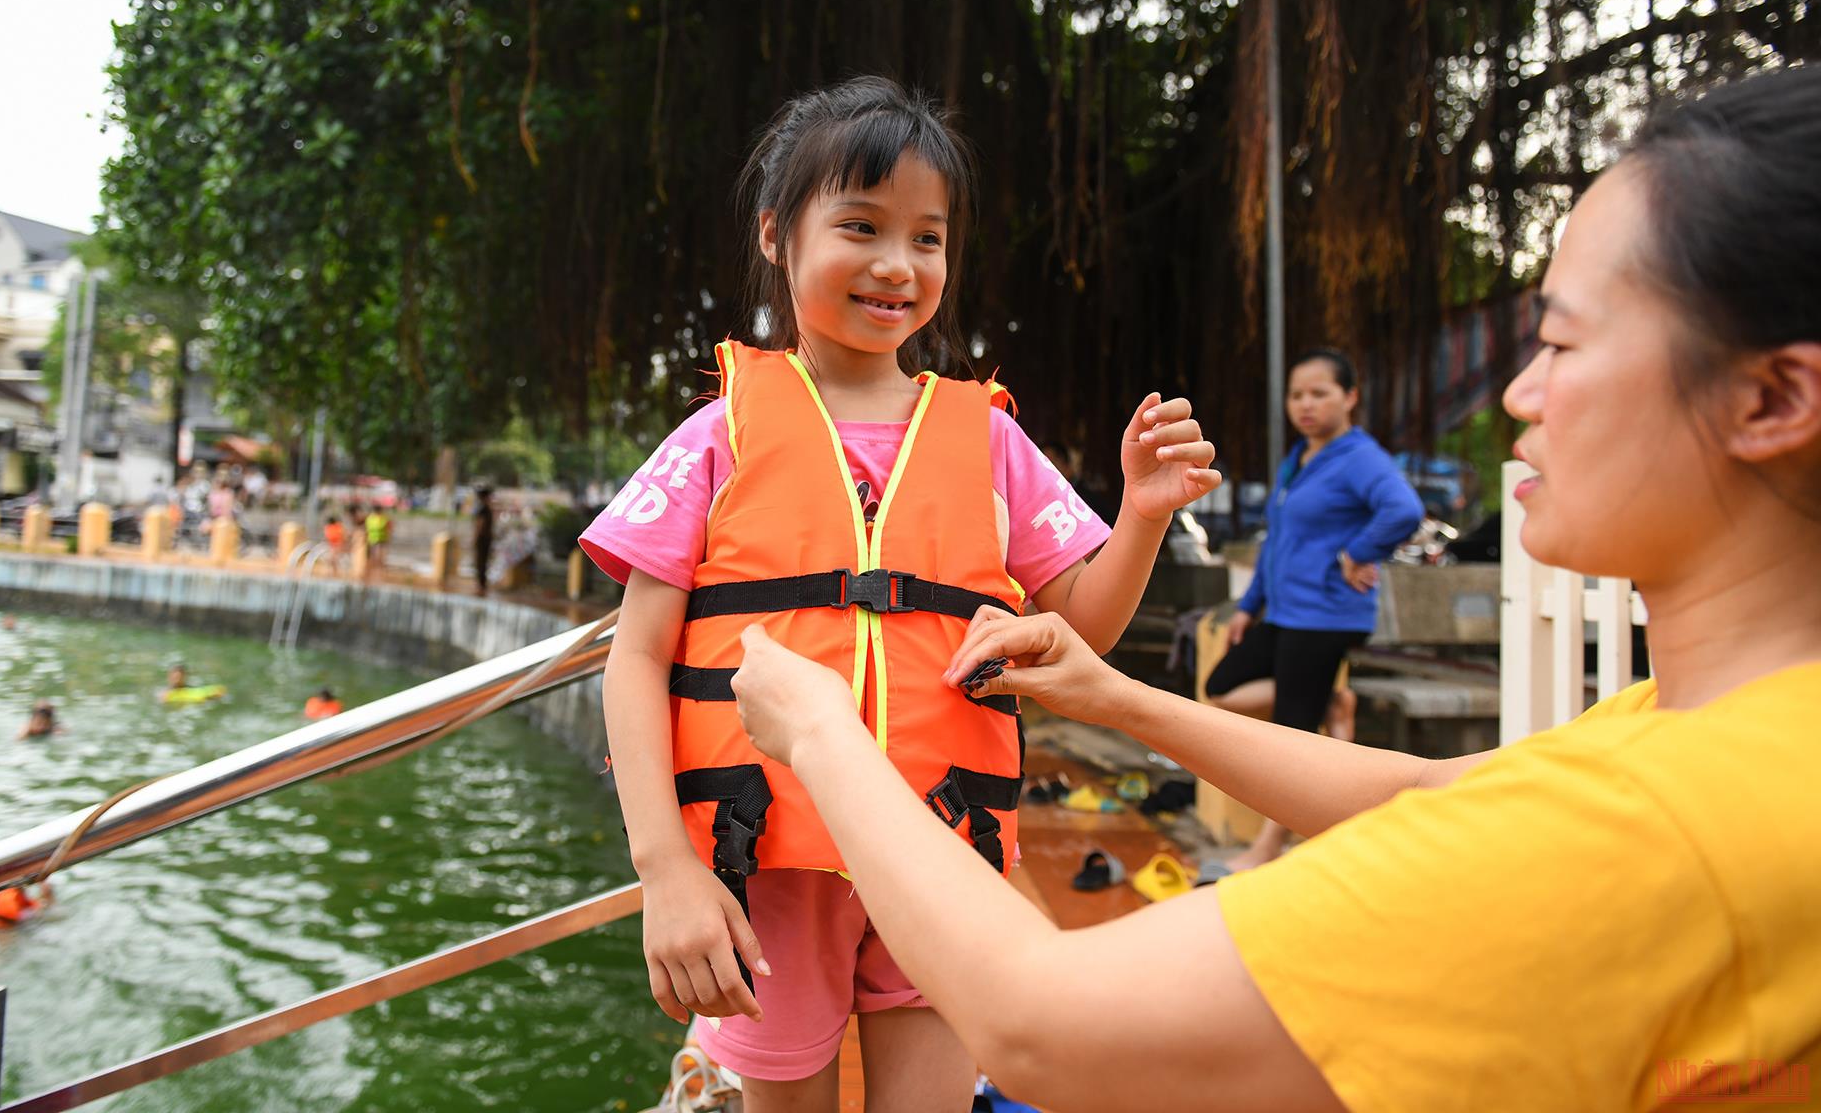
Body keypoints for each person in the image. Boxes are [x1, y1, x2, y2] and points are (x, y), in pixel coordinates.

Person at [725, 65, 1821, 1111]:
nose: (1524, 392)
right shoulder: (1733, 735)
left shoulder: (1667, 830)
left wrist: (821, 731)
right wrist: (1117, 698)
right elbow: (1437, 797)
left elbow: (1042, 1026)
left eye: (1561, 341)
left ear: (1772, 399)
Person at [579, 76, 1219, 1112]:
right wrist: (666, 871)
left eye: (928, 238)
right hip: (766, 859)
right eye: (862, 226)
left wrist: (1141, 511)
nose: (897, 264)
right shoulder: (719, 433)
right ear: (777, 235)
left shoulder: (990, 435)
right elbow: (639, 654)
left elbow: (1081, 628)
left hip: (943, 847)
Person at [1200, 347, 1423, 873]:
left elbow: (1405, 509)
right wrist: (1248, 606)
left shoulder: (1359, 456)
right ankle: (1331, 703)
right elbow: (1279, 539)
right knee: (1222, 690)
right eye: (1297, 394)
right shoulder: (1298, 458)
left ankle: (1266, 849)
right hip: (1282, 612)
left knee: (1291, 736)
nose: (1305, 404)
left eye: (1319, 393)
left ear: (1350, 397)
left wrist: (1358, 552)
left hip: (1326, 615)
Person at [472, 485, 497, 596]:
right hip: (485, 539)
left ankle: (481, 586)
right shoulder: (484, 509)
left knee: (481, 562)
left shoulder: (483, 509)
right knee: (482, 562)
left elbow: (479, 525)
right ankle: (481, 585)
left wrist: (475, 538)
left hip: (483, 540)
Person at [363, 504, 391, 579]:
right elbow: (388, 527)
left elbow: (366, 529)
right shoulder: (383, 518)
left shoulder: (370, 518)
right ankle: (376, 570)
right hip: (377, 538)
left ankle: (377, 569)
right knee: (377, 555)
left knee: (377, 554)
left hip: (376, 538)